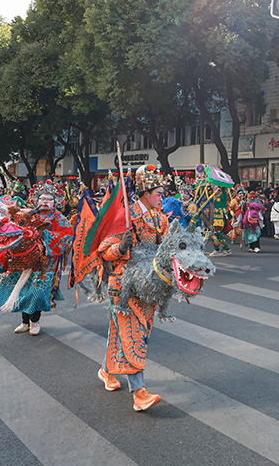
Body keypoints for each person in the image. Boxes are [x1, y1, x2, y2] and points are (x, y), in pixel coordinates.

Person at [96, 166, 169, 412]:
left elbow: (165, 251)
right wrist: (121, 248)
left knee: (127, 333)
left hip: (149, 285)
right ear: (145, 192)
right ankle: (139, 392)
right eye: (158, 192)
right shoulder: (125, 215)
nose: (162, 196)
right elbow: (104, 250)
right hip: (124, 284)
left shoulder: (161, 218)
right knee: (133, 335)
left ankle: (107, 370)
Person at [0, 180, 73, 334]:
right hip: (24, 258)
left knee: (37, 291)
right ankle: (24, 322)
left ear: (56, 201)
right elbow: (13, 228)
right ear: (36, 200)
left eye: (49, 199)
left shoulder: (59, 218)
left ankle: (35, 322)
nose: (45, 202)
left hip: (45, 261)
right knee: (22, 289)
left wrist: (44, 234)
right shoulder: (26, 213)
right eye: (42, 199)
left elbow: (66, 236)